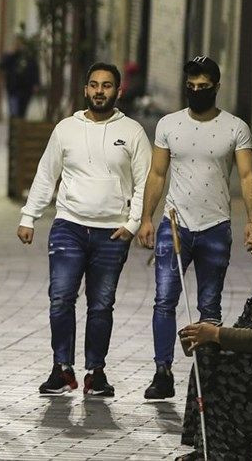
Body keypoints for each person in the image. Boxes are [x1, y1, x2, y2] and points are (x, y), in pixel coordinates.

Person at [17, 62, 151, 396]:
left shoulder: (133, 132)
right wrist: (28, 216)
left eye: (107, 86)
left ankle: (95, 372)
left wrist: (133, 224)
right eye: (94, 85)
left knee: (101, 304)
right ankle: (62, 368)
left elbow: (144, 182)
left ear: (118, 91)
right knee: (60, 297)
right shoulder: (66, 129)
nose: (99, 91)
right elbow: (47, 174)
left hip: (112, 233)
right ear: (85, 90)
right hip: (69, 226)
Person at [136, 55, 252, 400]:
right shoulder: (168, 125)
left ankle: (207, 376)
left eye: (203, 87)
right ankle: (162, 372)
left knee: (210, 306)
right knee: (164, 300)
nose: (196, 92)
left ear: (216, 88)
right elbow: (157, 174)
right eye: (190, 87)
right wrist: (147, 217)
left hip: (216, 226)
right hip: (175, 224)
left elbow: (248, 175)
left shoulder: (236, 128)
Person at [174, 209, 252, 460]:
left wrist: (216, 335)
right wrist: (204, 335)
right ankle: (208, 448)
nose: (248, 241)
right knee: (206, 355)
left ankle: (227, 452)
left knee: (219, 372)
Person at [0, 36, 40, 119]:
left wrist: (36, 83)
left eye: (20, 44)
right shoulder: (11, 56)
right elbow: (2, 66)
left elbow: (35, 70)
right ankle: (14, 126)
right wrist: (11, 54)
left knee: (22, 111)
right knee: (13, 110)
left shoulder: (29, 57)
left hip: (26, 88)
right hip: (13, 88)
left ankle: (19, 125)